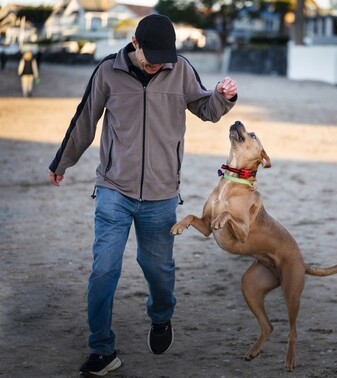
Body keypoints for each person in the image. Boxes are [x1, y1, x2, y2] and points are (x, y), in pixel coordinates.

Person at [48, 14, 238, 376]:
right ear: (134, 42)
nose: (157, 62)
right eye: (151, 54)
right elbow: (85, 119)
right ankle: (102, 349)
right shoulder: (107, 71)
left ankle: (161, 316)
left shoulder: (180, 69)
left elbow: (206, 109)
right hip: (113, 189)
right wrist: (62, 162)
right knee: (104, 270)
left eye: (164, 56)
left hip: (162, 193)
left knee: (159, 272)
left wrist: (224, 96)